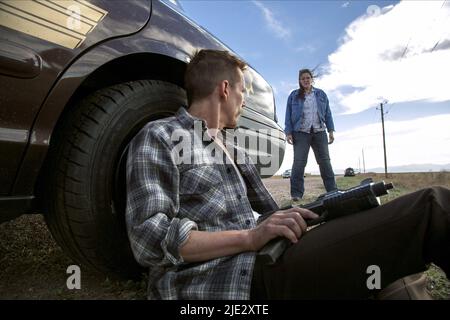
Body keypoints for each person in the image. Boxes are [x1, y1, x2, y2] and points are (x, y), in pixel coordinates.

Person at [125, 49, 450, 300]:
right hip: (230, 278)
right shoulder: (162, 136)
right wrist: (249, 238)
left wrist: (326, 208)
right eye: (243, 91)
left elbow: (271, 213)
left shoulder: (231, 148)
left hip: (274, 254)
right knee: (433, 208)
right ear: (224, 89)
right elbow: (147, 239)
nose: (244, 100)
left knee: (395, 268)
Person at [284, 69, 337, 201]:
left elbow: (328, 114)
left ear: (312, 79)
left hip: (319, 131)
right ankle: (296, 194)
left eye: (308, 78)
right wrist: (288, 132)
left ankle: (332, 190)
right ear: (300, 81)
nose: (306, 80)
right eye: (303, 78)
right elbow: (288, 115)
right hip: (301, 132)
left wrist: (330, 131)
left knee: (325, 162)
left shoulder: (321, 94)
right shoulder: (293, 96)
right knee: (299, 163)